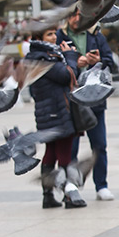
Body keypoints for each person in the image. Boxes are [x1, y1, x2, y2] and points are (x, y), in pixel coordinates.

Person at [25, 26, 86, 209]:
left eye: (54, 33)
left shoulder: (42, 55)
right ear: (39, 37)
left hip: (49, 110)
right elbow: (65, 75)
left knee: (51, 152)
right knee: (64, 153)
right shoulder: (42, 57)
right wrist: (71, 58)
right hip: (57, 110)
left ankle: (48, 195)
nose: (54, 37)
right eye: (49, 34)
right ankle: (69, 195)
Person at [57, 11, 115, 201]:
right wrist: (74, 61)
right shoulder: (60, 37)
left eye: (80, 15)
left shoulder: (95, 35)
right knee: (70, 146)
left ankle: (102, 185)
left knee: (99, 144)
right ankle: (70, 184)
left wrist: (97, 61)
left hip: (94, 99)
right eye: (72, 15)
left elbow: (110, 61)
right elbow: (52, 64)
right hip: (71, 100)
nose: (76, 19)